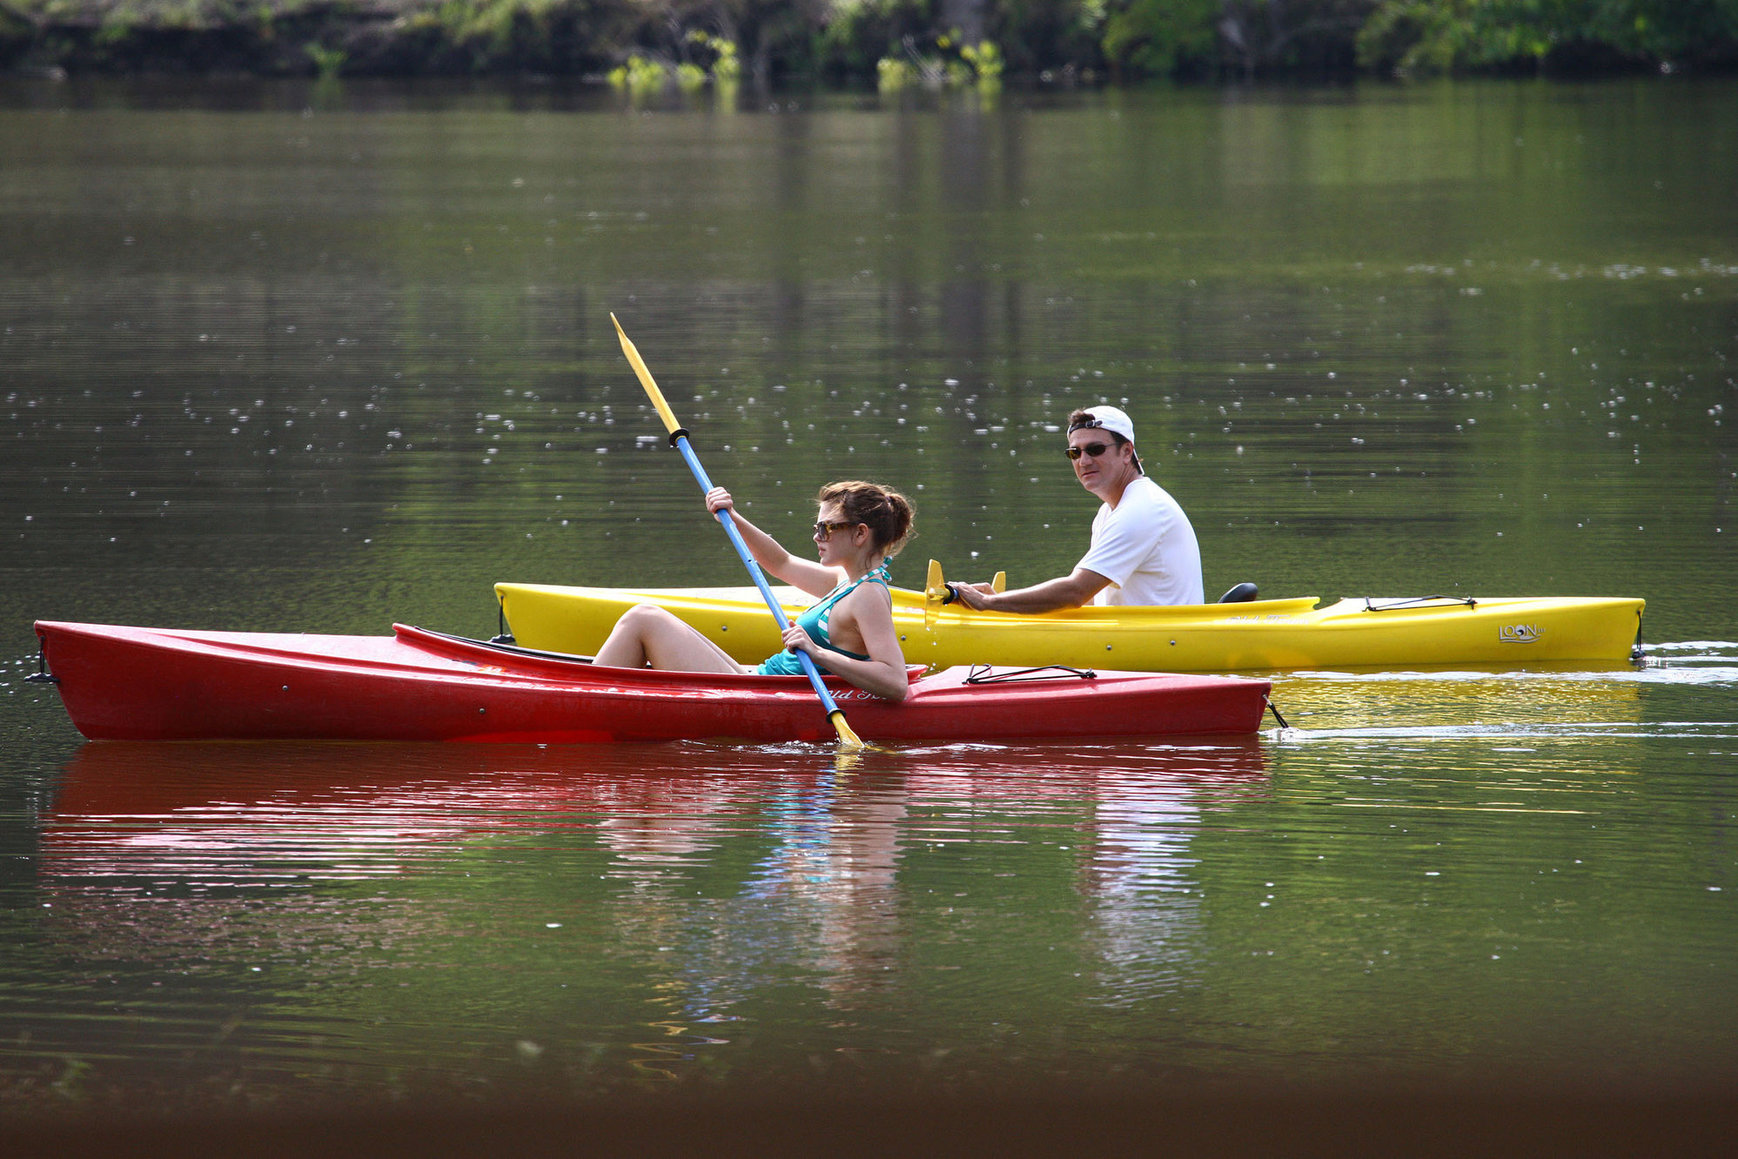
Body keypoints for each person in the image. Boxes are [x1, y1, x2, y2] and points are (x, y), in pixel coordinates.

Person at [594, 480, 916, 702]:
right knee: (644, 618)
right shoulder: (845, 582)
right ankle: (592, 694)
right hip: (759, 679)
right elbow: (781, 562)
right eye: (816, 527)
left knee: (643, 618)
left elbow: (894, 681)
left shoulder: (869, 595)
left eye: (826, 528)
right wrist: (731, 517)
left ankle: (586, 697)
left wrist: (818, 653)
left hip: (762, 693)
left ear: (860, 534)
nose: (817, 536)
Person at [947, 405, 1203, 612]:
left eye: (1095, 449)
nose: (1084, 461)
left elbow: (1075, 591)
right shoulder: (1110, 511)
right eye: (1075, 452)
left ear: (1127, 452)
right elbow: (1089, 598)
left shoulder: (1142, 509)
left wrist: (989, 604)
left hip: (1165, 645)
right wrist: (1004, 602)